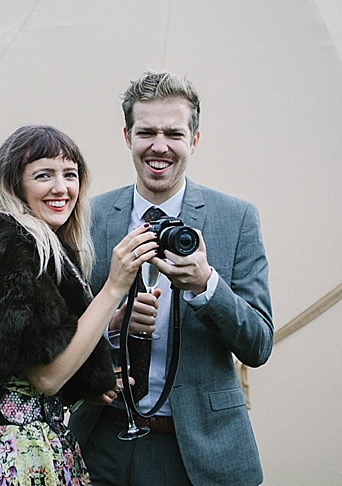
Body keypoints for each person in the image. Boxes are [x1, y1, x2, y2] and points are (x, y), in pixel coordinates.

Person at [68, 71, 274, 486]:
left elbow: (259, 344)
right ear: (128, 137)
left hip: (196, 452)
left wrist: (205, 286)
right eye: (146, 132)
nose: (158, 146)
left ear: (194, 140)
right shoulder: (85, 218)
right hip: (98, 441)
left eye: (173, 133)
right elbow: (56, 339)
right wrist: (110, 327)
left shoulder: (236, 220)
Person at [0, 125, 159, 485]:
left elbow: (40, 345)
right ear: (15, 185)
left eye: (70, 175)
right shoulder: (11, 241)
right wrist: (114, 287)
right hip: (10, 455)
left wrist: (111, 326)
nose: (61, 188)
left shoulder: (50, 250)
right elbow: (47, 376)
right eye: (44, 175)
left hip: (44, 446)